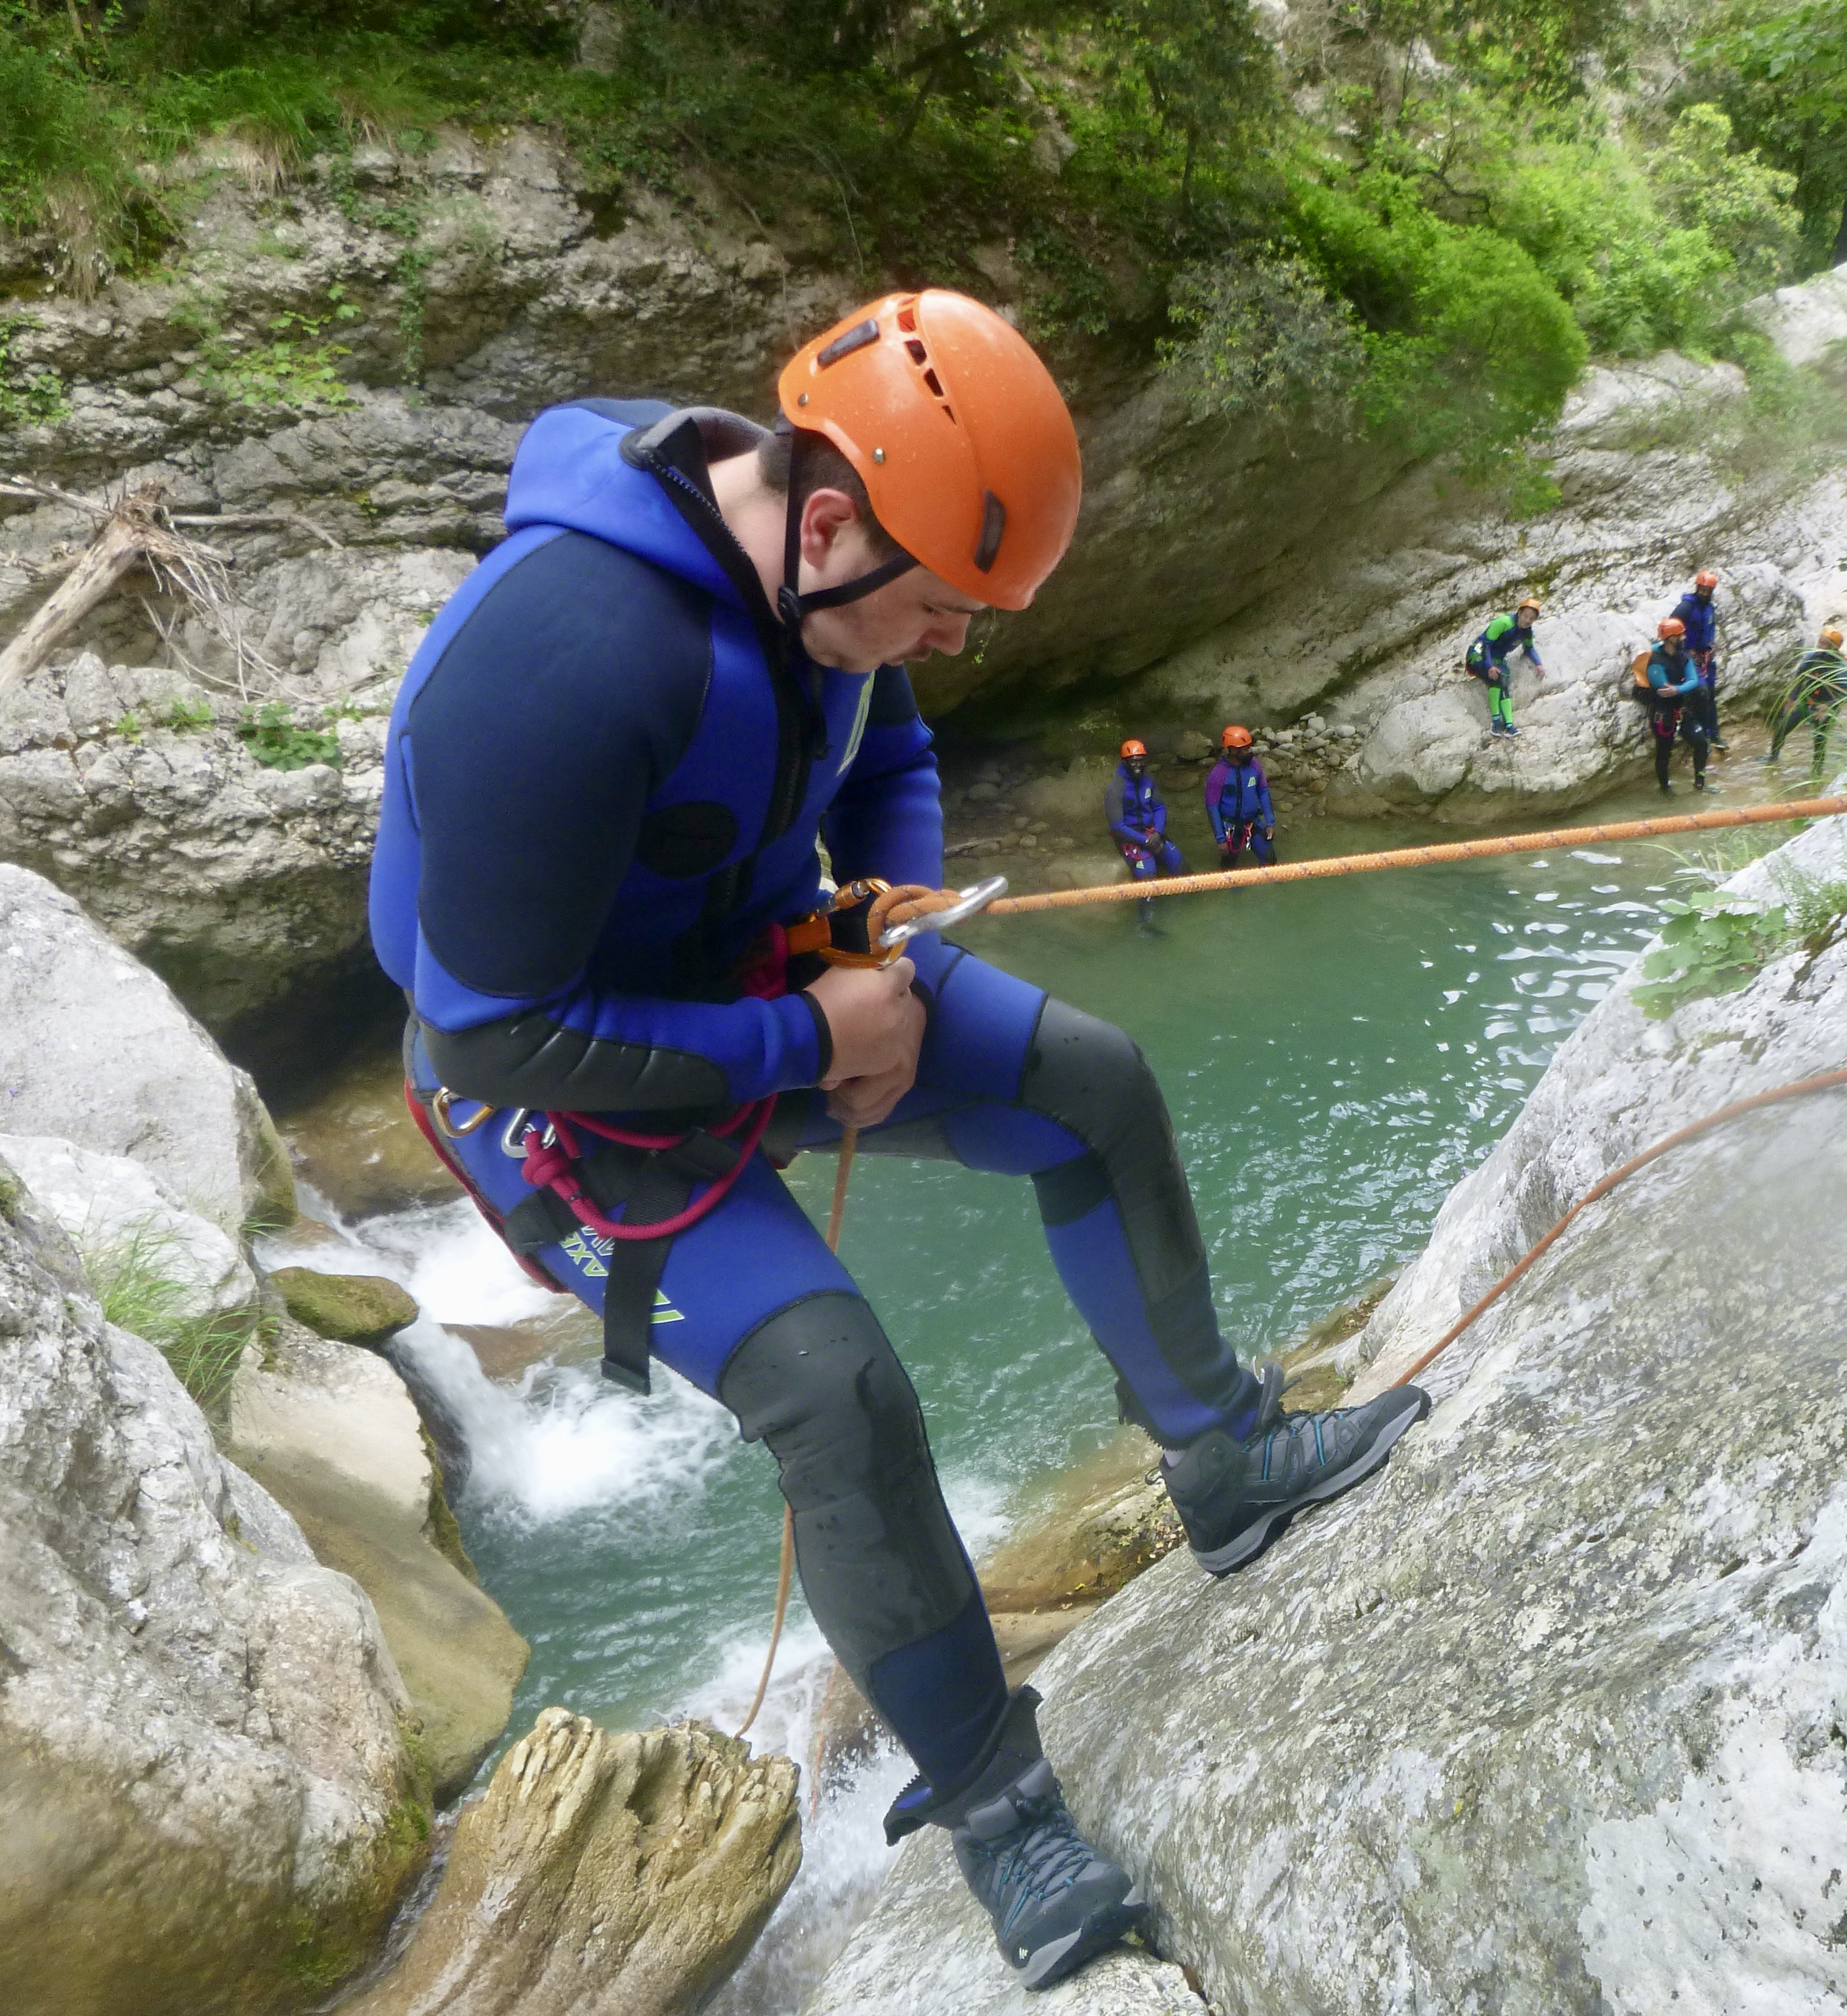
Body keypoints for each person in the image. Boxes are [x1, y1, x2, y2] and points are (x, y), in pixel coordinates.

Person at [368, 291, 1430, 1992]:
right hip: (563, 1085)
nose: (950, 641)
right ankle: (1002, 1812)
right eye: (938, 606)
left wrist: (887, 907)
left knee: (1091, 1078)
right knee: (836, 1388)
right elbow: (492, 1026)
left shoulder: (827, 582)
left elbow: (889, 740)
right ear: (833, 520)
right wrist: (810, 1039)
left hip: (765, 967)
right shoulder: (561, 661)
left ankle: (1222, 1462)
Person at [1631, 616, 1709, 793]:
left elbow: (1693, 680)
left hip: (1680, 709)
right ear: (1670, 639)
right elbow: (1663, 690)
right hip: (1663, 713)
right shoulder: (1656, 663)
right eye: (1680, 636)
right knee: (1664, 752)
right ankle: (1665, 788)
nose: (1684, 638)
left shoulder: (1683, 656)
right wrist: (1679, 689)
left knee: (1701, 743)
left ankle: (1700, 781)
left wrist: (1678, 690)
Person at [1774, 625, 1847, 778]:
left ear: (1834, 648)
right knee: (1782, 727)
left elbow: (1846, 693)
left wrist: (1828, 707)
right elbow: (1800, 678)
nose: (1820, 647)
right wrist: (1792, 699)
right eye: (1820, 642)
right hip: (1807, 702)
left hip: (1826, 707)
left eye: (1825, 645)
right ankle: (1772, 757)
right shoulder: (1811, 658)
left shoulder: (1841, 667)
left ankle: (1816, 774)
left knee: (1820, 742)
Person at [1109, 738, 1184, 889]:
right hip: (1131, 837)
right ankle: (1147, 913)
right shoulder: (1116, 788)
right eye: (1134, 762)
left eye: (1141, 761)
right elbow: (1117, 826)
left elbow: (1159, 807)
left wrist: (1158, 832)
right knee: (1148, 882)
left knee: (1183, 871)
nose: (1138, 766)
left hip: (1151, 832)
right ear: (1125, 762)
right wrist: (1146, 841)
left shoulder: (1148, 779)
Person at [1203, 724, 1276, 869]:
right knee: (1229, 866)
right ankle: (1232, 889)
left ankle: (1265, 887)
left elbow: (1263, 792)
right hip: (1230, 827)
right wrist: (1220, 839)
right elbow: (1212, 808)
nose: (1249, 751)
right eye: (1245, 749)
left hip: (1252, 822)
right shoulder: (1218, 774)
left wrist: (1270, 822)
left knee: (1270, 859)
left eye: (1249, 747)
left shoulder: (1254, 766)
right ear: (1233, 750)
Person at [1470, 596, 1542, 736]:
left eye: (1532, 619)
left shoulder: (1527, 633)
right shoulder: (1504, 622)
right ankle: (1496, 721)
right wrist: (1489, 666)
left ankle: (1509, 725)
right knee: (1496, 678)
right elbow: (1486, 644)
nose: (1528, 621)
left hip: (1497, 657)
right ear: (1520, 613)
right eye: (1526, 616)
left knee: (1505, 679)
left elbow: (1529, 649)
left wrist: (1538, 664)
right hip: (1478, 652)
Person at [1672, 568, 1726, 754]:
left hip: (1706, 657)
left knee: (1710, 694)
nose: (1704, 593)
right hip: (1690, 656)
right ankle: (1701, 734)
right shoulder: (1686, 607)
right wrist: (1683, 651)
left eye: (1707, 591)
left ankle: (1714, 734)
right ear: (1697, 588)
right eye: (1701, 589)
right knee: (1701, 692)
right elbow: (1671, 629)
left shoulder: (1710, 608)